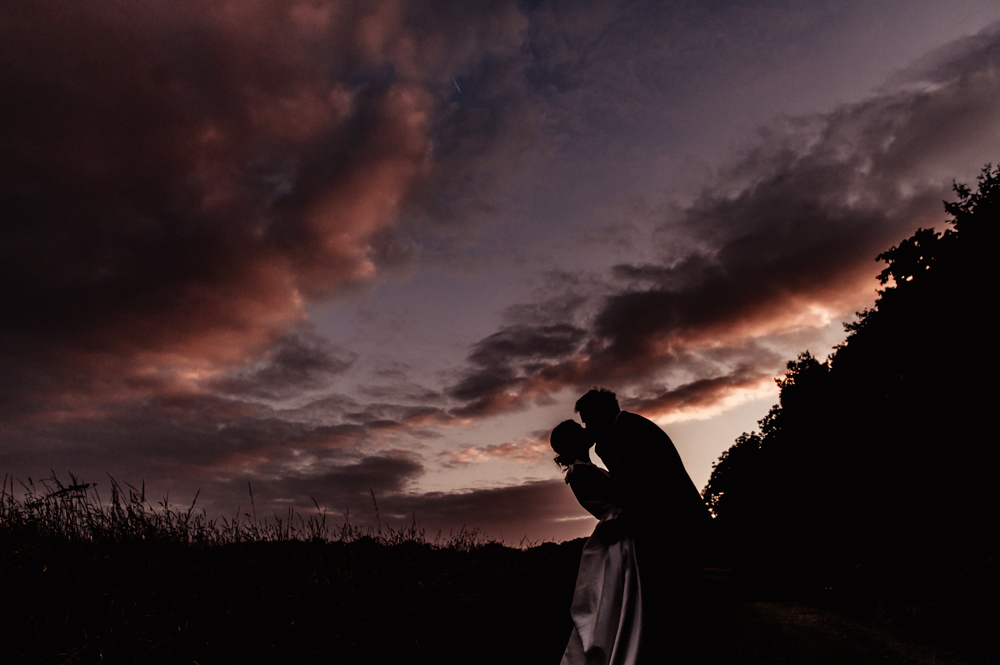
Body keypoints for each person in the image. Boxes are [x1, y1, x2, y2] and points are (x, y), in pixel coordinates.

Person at [574, 388, 711, 664]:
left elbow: (650, 490)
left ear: (601, 415)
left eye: (588, 420)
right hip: (664, 529)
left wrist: (621, 526)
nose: (587, 428)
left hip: (675, 530)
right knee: (667, 613)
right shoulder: (621, 434)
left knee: (675, 611)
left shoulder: (634, 434)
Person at [551, 420, 642, 665]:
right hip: (619, 530)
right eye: (579, 430)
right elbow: (626, 490)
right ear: (574, 441)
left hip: (621, 525)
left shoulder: (586, 468)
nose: (586, 430)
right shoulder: (580, 471)